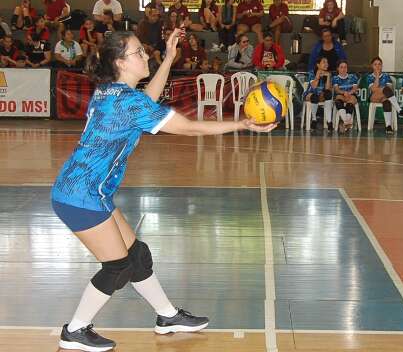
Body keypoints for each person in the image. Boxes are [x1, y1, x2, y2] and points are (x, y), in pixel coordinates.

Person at [50, 27, 275, 352]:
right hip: (79, 196)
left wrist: (169, 58)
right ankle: (75, 330)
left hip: (86, 191)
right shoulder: (126, 102)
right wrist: (240, 124)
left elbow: (146, 100)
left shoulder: (111, 92)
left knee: (136, 255)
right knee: (118, 266)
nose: (145, 56)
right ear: (120, 62)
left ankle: (167, 317)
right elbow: (186, 127)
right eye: (138, 53)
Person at [366, 56, 403, 134]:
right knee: (384, 89)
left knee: (387, 101)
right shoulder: (369, 77)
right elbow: (373, 89)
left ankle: (388, 126)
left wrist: (382, 89)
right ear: (372, 66)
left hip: (385, 96)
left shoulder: (386, 76)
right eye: (375, 64)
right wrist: (377, 76)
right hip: (374, 97)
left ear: (382, 65)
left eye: (379, 64)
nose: (377, 66)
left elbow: (390, 89)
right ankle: (399, 110)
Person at [304, 56, 333, 132]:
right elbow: (313, 87)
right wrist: (318, 75)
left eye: (327, 62)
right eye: (324, 62)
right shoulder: (311, 73)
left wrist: (328, 77)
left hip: (321, 95)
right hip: (310, 94)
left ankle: (329, 121)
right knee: (314, 96)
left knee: (328, 94)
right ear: (318, 65)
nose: (326, 64)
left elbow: (327, 89)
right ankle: (314, 119)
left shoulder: (328, 74)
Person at [332, 60, 359, 133]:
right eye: (341, 67)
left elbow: (355, 88)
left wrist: (349, 93)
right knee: (338, 100)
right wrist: (344, 93)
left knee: (351, 101)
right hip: (341, 95)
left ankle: (344, 122)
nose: (343, 69)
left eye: (345, 67)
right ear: (338, 68)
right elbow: (337, 90)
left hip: (351, 95)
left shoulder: (352, 77)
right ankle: (346, 121)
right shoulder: (335, 78)